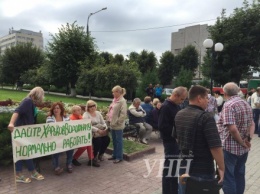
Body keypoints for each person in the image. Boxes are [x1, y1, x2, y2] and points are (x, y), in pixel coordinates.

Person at [175, 85, 224, 193]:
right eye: (206, 98)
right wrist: (221, 167)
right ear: (199, 98)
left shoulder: (179, 114)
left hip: (183, 165)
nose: (208, 101)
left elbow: (177, 139)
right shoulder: (206, 117)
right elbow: (215, 147)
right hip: (202, 170)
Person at [217, 82, 254, 194]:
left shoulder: (228, 105)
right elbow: (252, 124)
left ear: (224, 92)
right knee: (239, 175)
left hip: (229, 147)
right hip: (243, 149)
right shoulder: (245, 103)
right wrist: (248, 139)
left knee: (228, 177)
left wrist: (241, 142)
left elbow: (232, 129)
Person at [8, 86, 45, 183]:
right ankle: (25, 173)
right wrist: (11, 123)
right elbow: (17, 111)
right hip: (21, 131)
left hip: (26, 132)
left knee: (26, 152)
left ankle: (28, 172)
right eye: (42, 95)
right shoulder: (27, 101)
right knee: (23, 152)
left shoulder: (31, 103)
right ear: (38, 95)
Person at [158, 86, 188, 194]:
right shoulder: (166, 107)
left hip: (175, 142)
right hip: (170, 142)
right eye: (182, 99)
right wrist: (176, 133)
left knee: (174, 169)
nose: (182, 102)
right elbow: (162, 126)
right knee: (169, 169)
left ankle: (173, 190)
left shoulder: (175, 105)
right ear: (175, 95)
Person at [46, 102, 74, 175]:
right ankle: (56, 167)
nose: (56, 110)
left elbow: (70, 127)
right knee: (56, 148)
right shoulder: (49, 118)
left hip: (65, 138)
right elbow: (52, 130)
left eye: (58, 108)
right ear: (52, 110)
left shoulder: (66, 118)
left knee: (71, 146)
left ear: (61, 109)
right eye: (54, 108)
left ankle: (69, 164)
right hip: (55, 140)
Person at [107, 85, 127, 164]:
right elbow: (111, 110)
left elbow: (123, 114)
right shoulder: (115, 100)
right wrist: (109, 117)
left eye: (114, 92)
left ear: (118, 92)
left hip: (118, 125)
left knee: (119, 141)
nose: (113, 94)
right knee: (114, 140)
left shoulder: (122, 101)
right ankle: (114, 155)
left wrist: (118, 122)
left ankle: (119, 157)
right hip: (112, 124)